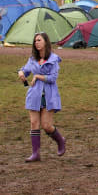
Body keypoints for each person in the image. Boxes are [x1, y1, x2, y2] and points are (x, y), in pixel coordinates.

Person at [18, 32, 66, 162]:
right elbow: (26, 69)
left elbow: (53, 78)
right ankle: (35, 154)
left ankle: (61, 140)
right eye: (35, 41)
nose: (36, 43)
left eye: (39, 40)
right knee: (34, 123)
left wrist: (38, 76)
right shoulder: (32, 58)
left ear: (46, 41)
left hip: (49, 95)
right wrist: (21, 73)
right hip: (34, 94)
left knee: (46, 126)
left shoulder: (53, 59)